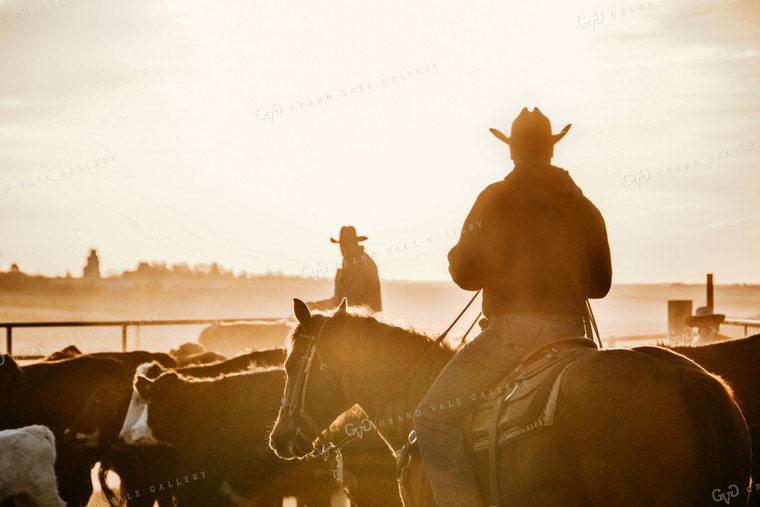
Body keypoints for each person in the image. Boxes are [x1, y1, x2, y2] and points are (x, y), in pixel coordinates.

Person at [413, 107, 612, 506]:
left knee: (432, 418)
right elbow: (601, 285)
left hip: (512, 337)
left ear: (511, 152)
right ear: (552, 151)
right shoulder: (586, 206)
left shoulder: (494, 198)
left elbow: (465, 273)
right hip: (574, 334)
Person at [307, 226, 382, 312]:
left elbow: (351, 299)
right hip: (349, 316)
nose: (344, 249)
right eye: (342, 245)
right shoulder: (350, 264)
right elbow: (340, 299)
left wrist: (317, 306)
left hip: (359, 319)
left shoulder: (363, 265)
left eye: (348, 245)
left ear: (355, 244)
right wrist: (316, 306)